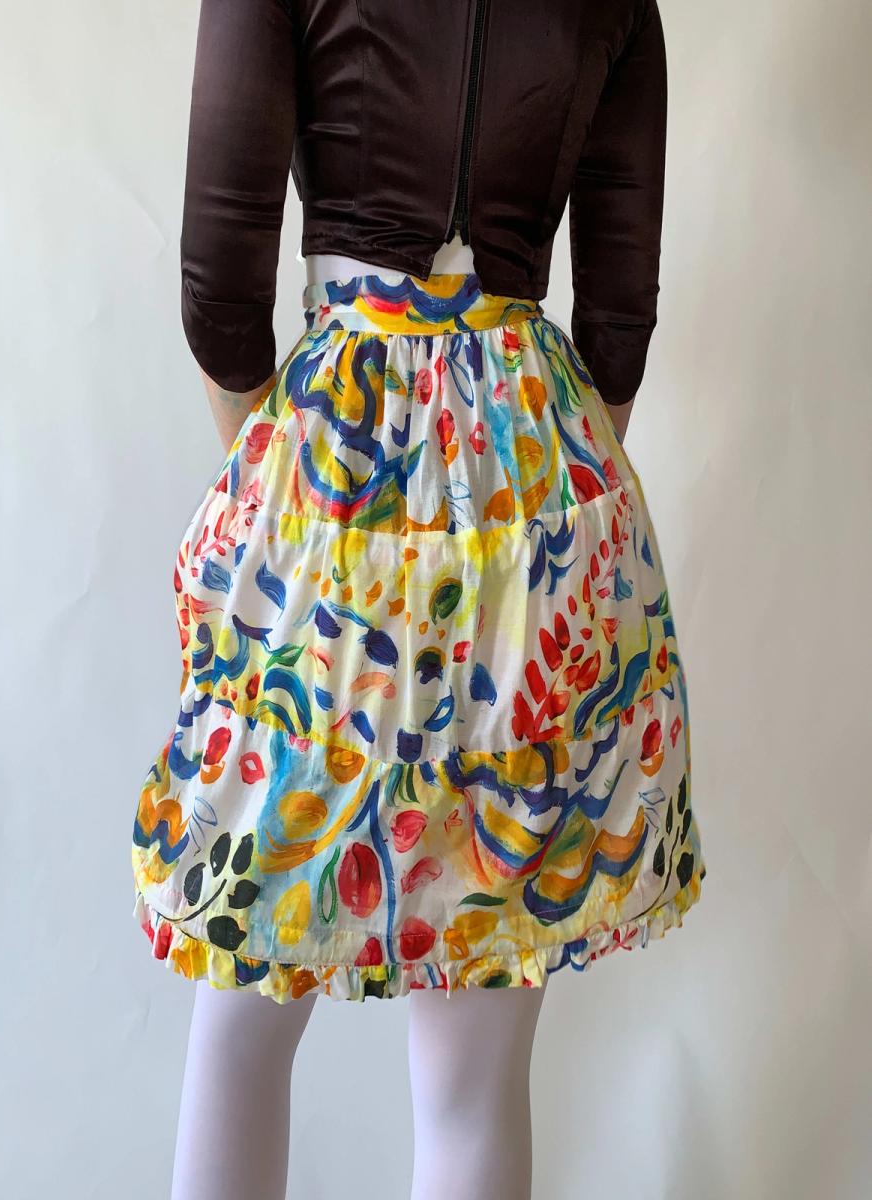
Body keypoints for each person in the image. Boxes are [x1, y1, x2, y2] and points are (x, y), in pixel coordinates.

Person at [130, 3, 707, 1197]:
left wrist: (281, 489)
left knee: (240, 1015)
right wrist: (540, 497)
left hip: (333, 455)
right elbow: (618, 325)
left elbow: (219, 285)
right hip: (535, 478)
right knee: (475, 1071)